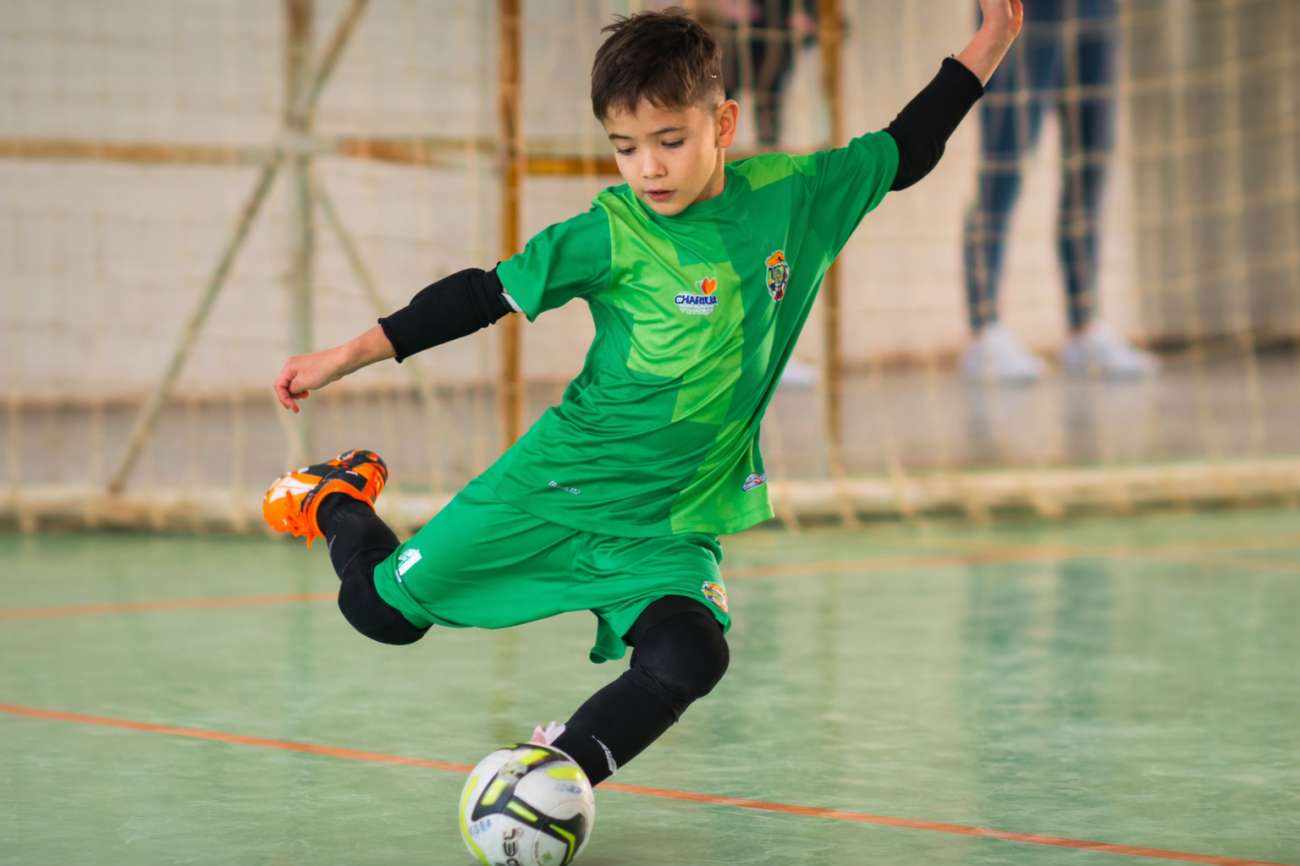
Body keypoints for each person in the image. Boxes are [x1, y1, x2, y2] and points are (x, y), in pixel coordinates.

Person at [264, 3, 1023, 790]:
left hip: (669, 520)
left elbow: (908, 146)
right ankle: (335, 498)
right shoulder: (610, 231)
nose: (649, 168)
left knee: (693, 652)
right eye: (625, 148)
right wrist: (345, 355)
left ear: (722, 123)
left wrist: (996, 34)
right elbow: (479, 296)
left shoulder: (794, 197)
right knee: (382, 618)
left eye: (671, 141)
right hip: (555, 487)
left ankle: (557, 776)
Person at [962, 0, 1156, 382]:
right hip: (1027, 11)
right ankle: (985, 330)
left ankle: (1084, 327)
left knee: (1092, 163)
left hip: (1095, 9)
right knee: (1005, 164)